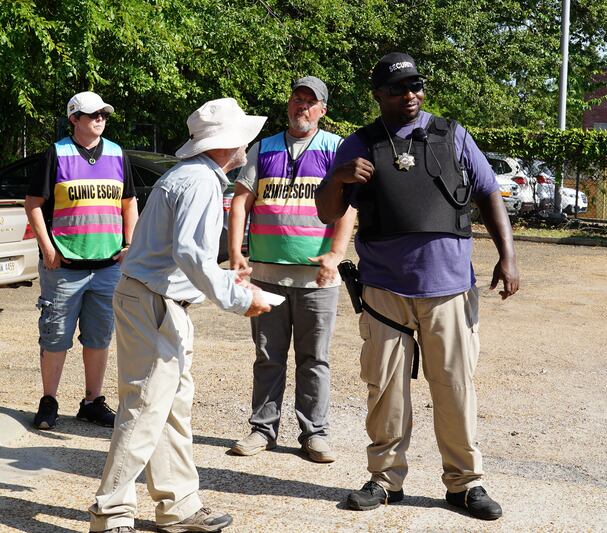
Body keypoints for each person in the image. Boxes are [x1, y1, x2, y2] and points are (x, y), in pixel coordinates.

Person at [316, 52, 520, 521]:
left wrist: (508, 257)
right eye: (398, 89)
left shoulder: (453, 135)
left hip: (449, 289)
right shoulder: (359, 144)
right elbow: (328, 212)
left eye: (416, 86)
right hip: (385, 290)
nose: (410, 95)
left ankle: (465, 484)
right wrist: (338, 177)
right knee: (384, 389)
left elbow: (489, 192)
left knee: (455, 387)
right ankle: (385, 479)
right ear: (379, 95)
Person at [88, 97, 274, 533]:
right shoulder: (201, 182)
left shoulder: (193, 177)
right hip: (155, 304)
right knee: (146, 407)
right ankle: (110, 513)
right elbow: (190, 255)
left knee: (171, 407)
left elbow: (184, 255)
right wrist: (239, 299)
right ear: (231, 143)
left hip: (159, 302)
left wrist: (229, 282)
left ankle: (178, 505)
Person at [227, 76, 356, 463]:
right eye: (297, 99)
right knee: (268, 355)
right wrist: (236, 251)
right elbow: (240, 202)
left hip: (317, 276)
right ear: (289, 104)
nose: (302, 106)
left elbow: (349, 207)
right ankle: (262, 429)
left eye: (310, 102)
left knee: (314, 358)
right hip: (266, 275)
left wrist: (335, 254)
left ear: (322, 110)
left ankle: (314, 433)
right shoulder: (263, 148)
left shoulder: (336, 149)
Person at [24, 91, 138, 430]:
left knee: (99, 337)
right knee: (55, 335)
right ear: (74, 119)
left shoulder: (118, 154)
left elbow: (128, 202)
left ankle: (92, 401)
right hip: (64, 267)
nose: (100, 118)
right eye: (92, 114)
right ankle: (49, 400)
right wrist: (47, 248)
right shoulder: (57, 154)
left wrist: (129, 243)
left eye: (103, 113)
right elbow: (32, 203)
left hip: (107, 266)